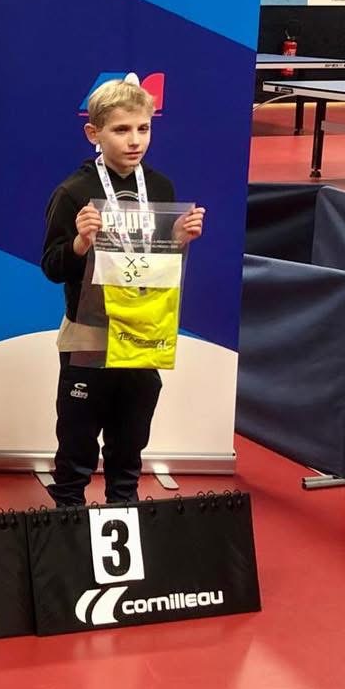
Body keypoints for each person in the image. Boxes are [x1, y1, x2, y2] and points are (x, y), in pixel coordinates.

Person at [40, 79, 204, 507]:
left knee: (130, 440)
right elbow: (52, 267)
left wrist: (179, 240)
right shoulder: (74, 192)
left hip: (142, 333)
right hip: (89, 334)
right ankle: (69, 519)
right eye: (121, 130)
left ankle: (123, 510)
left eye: (143, 128)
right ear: (93, 133)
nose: (135, 140)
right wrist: (80, 244)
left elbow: (159, 263)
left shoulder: (161, 189)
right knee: (76, 440)